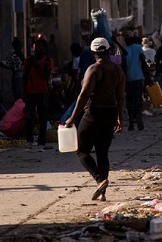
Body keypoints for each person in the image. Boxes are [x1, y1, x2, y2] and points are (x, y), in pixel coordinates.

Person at [64, 37, 125, 202]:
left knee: (82, 150)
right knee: (102, 152)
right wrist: (120, 117)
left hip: (94, 113)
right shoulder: (118, 70)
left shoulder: (93, 69)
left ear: (93, 52)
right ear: (109, 51)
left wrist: (71, 118)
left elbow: (83, 96)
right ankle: (103, 192)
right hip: (111, 113)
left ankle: (100, 179)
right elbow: (120, 97)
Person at [22, 38, 55, 150]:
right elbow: (25, 76)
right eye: (36, 46)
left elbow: (46, 76)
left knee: (42, 118)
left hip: (43, 92)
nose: (38, 49)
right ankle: (29, 140)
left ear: (45, 48)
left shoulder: (48, 61)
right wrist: (24, 91)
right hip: (30, 92)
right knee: (29, 117)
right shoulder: (28, 60)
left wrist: (36, 65)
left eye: (40, 46)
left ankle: (41, 142)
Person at [122, 33, 152, 131]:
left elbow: (123, 66)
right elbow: (143, 62)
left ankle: (131, 123)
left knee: (130, 101)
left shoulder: (124, 49)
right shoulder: (138, 47)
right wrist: (148, 77)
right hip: (138, 78)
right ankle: (139, 120)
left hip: (128, 79)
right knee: (138, 100)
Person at [0, 37, 25, 102]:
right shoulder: (14, 55)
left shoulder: (20, 55)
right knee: (18, 95)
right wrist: (12, 68)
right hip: (17, 77)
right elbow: (2, 63)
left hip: (21, 77)